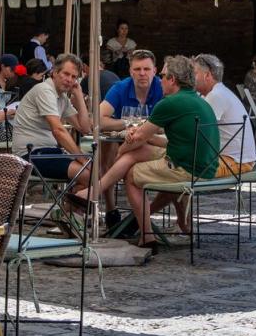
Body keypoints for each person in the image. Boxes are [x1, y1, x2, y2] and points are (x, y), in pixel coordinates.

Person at [71, 55, 219, 249]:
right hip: (204, 164)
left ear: (172, 79)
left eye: (163, 76)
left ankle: (147, 236)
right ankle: (95, 192)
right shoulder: (199, 101)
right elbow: (160, 140)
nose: (161, 80)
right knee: (135, 154)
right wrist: (140, 138)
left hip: (187, 168)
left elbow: (138, 138)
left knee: (131, 175)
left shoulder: (170, 103)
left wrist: (122, 150)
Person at [11, 54, 92, 182]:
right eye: (66, 74)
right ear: (54, 72)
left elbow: (85, 128)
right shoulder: (45, 90)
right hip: (30, 155)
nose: (69, 79)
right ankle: (72, 201)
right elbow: (58, 131)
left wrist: (79, 95)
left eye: (74, 77)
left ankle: (70, 201)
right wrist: (82, 159)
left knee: (96, 171)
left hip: (48, 152)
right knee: (88, 173)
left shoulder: (62, 97)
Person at [192, 54, 255, 173]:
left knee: (176, 166)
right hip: (231, 159)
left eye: (194, 73)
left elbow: (195, 133)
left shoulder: (216, 95)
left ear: (207, 75)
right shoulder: (216, 92)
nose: (191, 78)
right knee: (170, 160)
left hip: (235, 162)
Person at [100, 49, 164, 133]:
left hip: (154, 141)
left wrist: (140, 125)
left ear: (154, 71)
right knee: (107, 143)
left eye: (147, 69)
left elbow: (172, 123)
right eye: (137, 69)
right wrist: (133, 122)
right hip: (125, 139)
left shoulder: (163, 88)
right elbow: (98, 121)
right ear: (130, 71)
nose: (142, 73)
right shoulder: (120, 88)